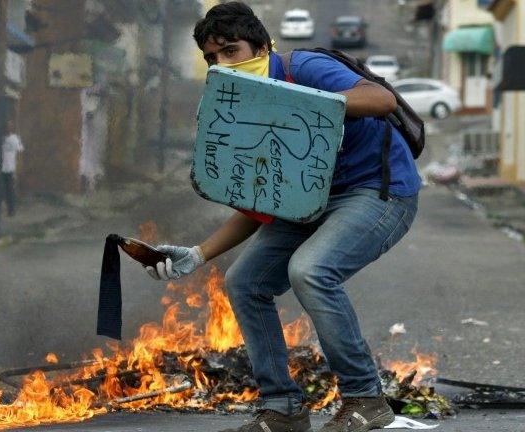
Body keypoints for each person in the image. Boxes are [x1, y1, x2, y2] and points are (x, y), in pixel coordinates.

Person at [145, 3, 421, 432]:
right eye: (213, 58)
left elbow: (381, 99)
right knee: (243, 281)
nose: (224, 64)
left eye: (232, 51)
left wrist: (296, 106)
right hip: (308, 204)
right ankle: (284, 409)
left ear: (263, 46)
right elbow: (264, 203)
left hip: (378, 192)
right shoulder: (241, 111)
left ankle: (366, 398)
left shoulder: (303, 68)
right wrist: (196, 255)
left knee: (310, 270)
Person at [1, 127, 24, 217]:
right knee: (3, 191)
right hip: (1, 169)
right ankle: (5, 210)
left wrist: (17, 168)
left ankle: (11, 211)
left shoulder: (14, 139)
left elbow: (20, 152)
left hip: (10, 169)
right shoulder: (1, 139)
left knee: (10, 191)